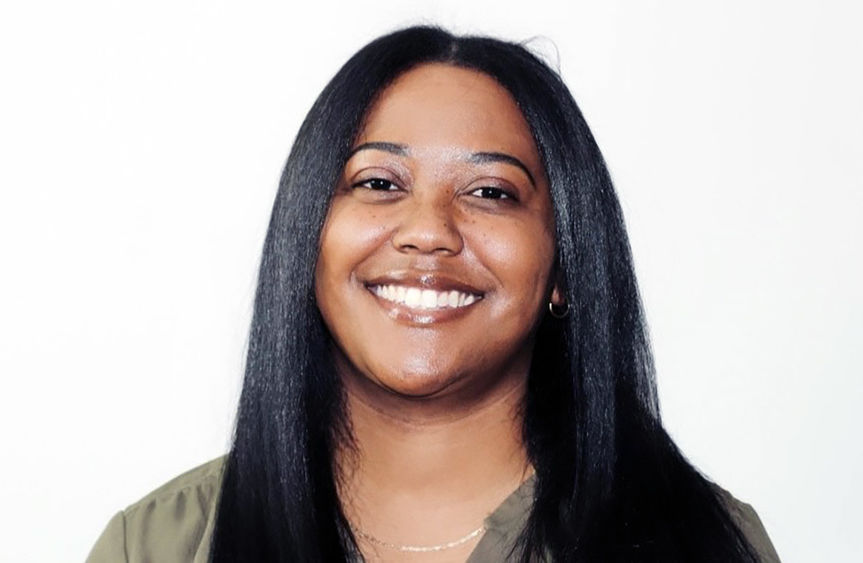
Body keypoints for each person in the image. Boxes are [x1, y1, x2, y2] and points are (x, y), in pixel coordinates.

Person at [86, 26, 780, 562]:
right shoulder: (159, 545)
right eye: (379, 183)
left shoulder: (702, 541)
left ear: (564, 265)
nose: (427, 232)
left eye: (490, 192)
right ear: (308, 237)